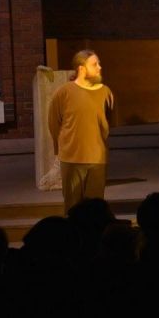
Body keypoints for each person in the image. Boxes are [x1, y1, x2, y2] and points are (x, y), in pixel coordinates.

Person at [48, 50, 114, 210]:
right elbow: (54, 123)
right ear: (81, 68)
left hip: (97, 158)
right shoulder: (64, 92)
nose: (99, 67)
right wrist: (61, 149)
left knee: (96, 208)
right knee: (73, 207)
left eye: (98, 63)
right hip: (71, 158)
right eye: (94, 64)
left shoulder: (105, 92)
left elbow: (109, 120)